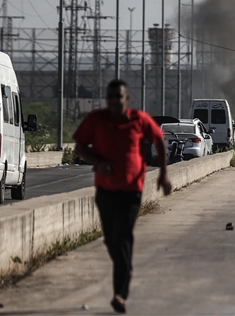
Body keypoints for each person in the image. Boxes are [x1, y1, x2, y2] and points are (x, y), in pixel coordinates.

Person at [73, 79, 173, 314]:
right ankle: (124, 268)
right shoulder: (95, 120)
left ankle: (120, 293)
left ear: (126, 100)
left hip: (131, 192)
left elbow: (159, 139)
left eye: (119, 96)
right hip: (105, 191)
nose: (115, 100)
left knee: (124, 236)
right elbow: (79, 146)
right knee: (111, 240)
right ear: (106, 99)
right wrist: (98, 162)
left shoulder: (138, 119)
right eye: (111, 96)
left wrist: (163, 175)